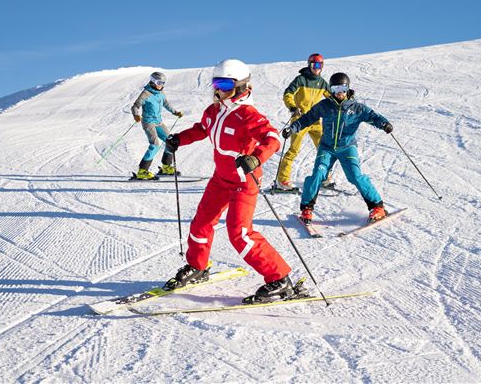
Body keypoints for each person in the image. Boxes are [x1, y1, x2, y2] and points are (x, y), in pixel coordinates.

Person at [163, 59, 295, 302]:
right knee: (201, 222)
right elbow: (202, 129)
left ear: (241, 86)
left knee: (240, 233)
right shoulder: (213, 111)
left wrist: (256, 158)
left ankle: (280, 280)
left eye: (224, 83)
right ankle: (198, 267)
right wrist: (180, 139)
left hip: (245, 181)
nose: (218, 89)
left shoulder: (247, 114)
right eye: (215, 83)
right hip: (221, 179)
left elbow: (272, 137)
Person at [282, 72, 394, 224]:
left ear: (347, 88)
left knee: (355, 176)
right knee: (317, 176)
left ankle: (377, 207)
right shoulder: (325, 105)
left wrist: (383, 124)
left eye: (342, 88)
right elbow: (307, 118)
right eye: (335, 89)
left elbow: (372, 116)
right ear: (331, 89)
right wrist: (293, 128)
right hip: (327, 147)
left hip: (347, 147)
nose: (339, 92)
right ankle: (306, 210)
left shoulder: (356, 108)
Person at [275, 53, 332, 191]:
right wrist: (293, 107)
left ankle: (324, 177)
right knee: (293, 150)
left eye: (320, 65)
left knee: (324, 148)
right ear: (309, 65)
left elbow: (332, 98)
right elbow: (288, 94)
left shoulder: (322, 83)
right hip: (300, 120)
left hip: (315, 120)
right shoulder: (301, 80)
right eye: (315, 65)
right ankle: (282, 180)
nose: (317, 68)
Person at [131, 71, 183, 180]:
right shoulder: (146, 93)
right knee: (154, 144)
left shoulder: (161, 93)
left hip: (159, 122)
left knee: (170, 141)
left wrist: (175, 112)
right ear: (153, 81)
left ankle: (165, 167)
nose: (161, 85)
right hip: (148, 122)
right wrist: (136, 115)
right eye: (159, 82)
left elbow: (166, 104)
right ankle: (142, 171)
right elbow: (135, 106)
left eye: (163, 83)